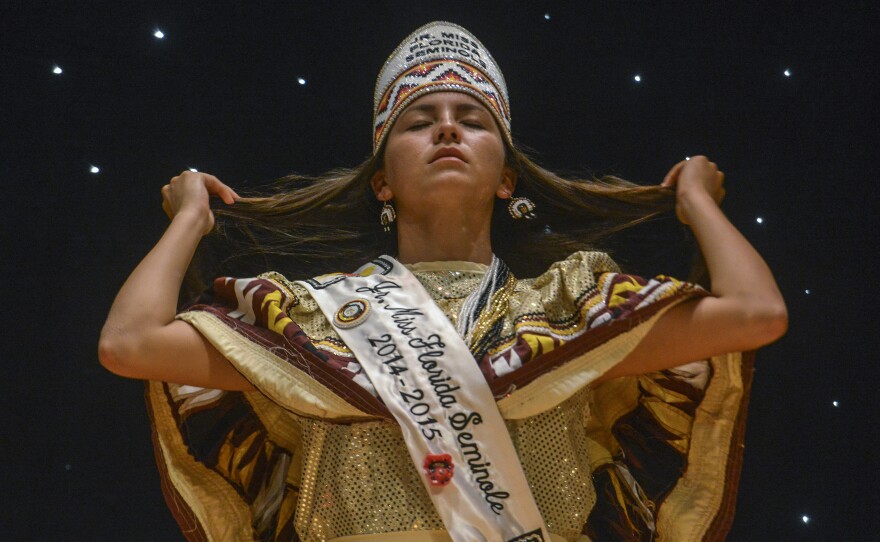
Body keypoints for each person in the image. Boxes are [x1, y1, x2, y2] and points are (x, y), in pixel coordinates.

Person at [99, 21, 786, 542]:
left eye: (474, 121)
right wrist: (191, 218)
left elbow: (755, 313)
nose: (448, 130)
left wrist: (696, 202)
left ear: (507, 178)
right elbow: (130, 343)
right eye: (420, 121)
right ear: (382, 183)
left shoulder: (567, 309)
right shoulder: (315, 318)